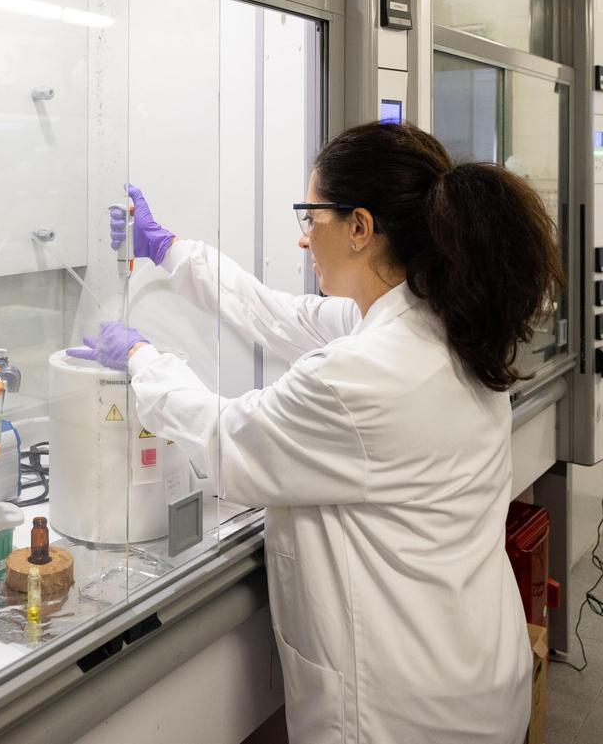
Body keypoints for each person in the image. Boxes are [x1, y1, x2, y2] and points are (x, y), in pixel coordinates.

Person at [67, 122, 565, 744]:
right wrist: (170, 250)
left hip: (405, 714)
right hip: (475, 669)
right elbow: (277, 316)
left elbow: (226, 441)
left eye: (311, 216)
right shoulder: (437, 318)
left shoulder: (361, 376)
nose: (303, 237)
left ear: (359, 227)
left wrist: (141, 358)